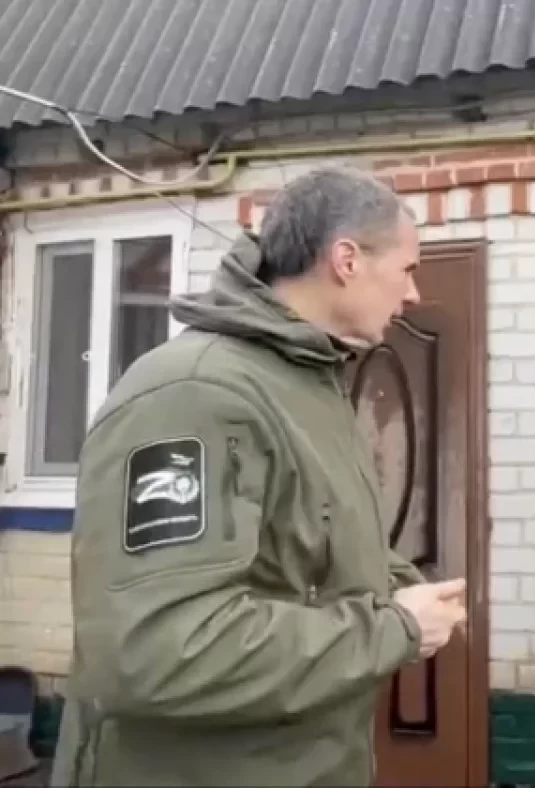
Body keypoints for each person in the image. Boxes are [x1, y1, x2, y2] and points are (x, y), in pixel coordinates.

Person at [50, 167, 467, 787]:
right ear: (347, 260)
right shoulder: (195, 393)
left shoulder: (305, 384)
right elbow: (162, 650)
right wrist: (394, 628)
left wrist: (393, 584)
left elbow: (301, 553)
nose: (412, 293)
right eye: (407, 269)